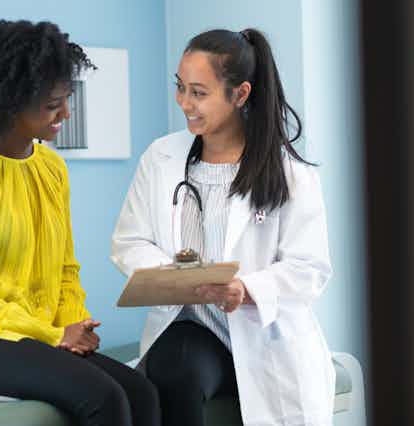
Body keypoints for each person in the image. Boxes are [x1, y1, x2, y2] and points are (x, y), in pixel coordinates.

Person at [0, 19, 160, 426]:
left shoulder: (50, 167)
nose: (65, 112)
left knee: (142, 393)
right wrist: (50, 335)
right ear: (8, 102)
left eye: (66, 99)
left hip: (32, 337)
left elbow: (64, 268)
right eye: (52, 105)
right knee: (103, 398)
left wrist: (73, 325)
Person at [111, 28, 334, 426]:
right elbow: (131, 239)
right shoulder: (161, 157)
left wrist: (246, 289)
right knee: (173, 368)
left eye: (199, 93)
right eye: (180, 88)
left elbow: (309, 268)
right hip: (193, 329)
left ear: (240, 94)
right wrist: (171, 276)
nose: (184, 103)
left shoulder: (290, 174)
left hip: (264, 337)